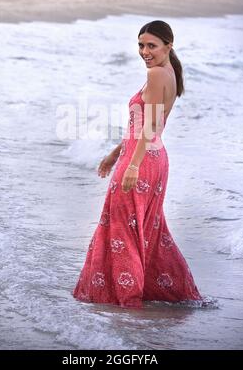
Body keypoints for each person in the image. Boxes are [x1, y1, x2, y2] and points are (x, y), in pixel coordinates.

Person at [73, 20, 202, 308]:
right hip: (151, 158)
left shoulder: (158, 74)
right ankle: (164, 292)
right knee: (148, 230)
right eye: (141, 45)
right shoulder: (165, 72)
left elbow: (151, 124)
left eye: (151, 46)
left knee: (122, 227)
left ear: (169, 46)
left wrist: (132, 165)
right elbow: (143, 125)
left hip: (142, 161)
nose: (145, 51)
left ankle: (127, 299)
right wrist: (115, 153)